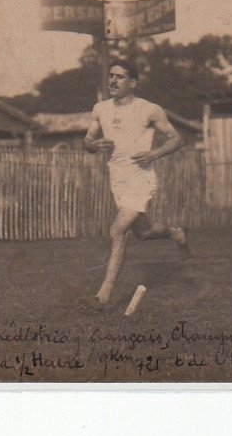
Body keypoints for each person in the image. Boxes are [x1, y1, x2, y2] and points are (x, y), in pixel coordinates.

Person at [81, 60, 189, 310]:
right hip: (117, 177)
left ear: (132, 83)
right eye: (111, 76)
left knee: (118, 230)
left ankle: (103, 296)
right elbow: (87, 140)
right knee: (144, 232)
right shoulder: (100, 109)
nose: (113, 81)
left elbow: (177, 139)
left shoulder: (149, 110)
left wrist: (154, 154)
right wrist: (93, 145)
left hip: (141, 176)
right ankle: (176, 233)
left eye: (120, 77)